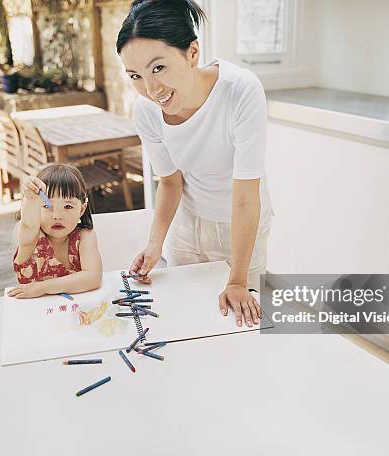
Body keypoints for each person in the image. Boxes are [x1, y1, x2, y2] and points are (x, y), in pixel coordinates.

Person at [117, 0, 273, 327]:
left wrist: (237, 280)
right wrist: (155, 244)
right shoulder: (146, 111)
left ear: (192, 52)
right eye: (136, 76)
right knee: (187, 319)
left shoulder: (241, 91)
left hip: (241, 226)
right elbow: (171, 182)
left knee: (241, 325)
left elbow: (246, 195)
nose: (151, 89)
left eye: (158, 68)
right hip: (187, 224)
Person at [8, 163, 102, 299]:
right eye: (47, 205)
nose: (57, 215)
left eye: (68, 206)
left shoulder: (84, 236)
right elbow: (28, 224)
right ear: (36, 208)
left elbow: (93, 277)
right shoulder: (31, 237)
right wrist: (30, 198)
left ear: (82, 209)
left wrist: (42, 288)